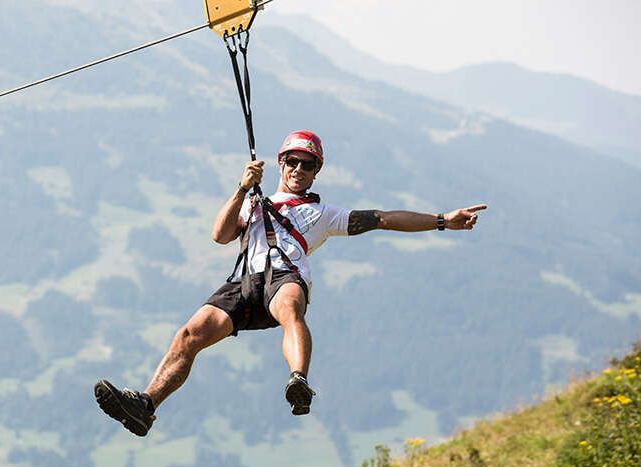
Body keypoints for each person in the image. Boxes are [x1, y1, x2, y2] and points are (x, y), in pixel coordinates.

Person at [95, 130, 486, 436]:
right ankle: (145, 407)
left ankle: (299, 379)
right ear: (282, 163)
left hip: (285, 278)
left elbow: (384, 217)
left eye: (308, 164)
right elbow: (219, 235)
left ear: (317, 171)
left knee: (288, 307)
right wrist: (242, 187)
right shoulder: (253, 201)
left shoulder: (324, 214)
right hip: (243, 283)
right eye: (293, 162)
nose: (299, 169)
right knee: (189, 334)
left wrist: (441, 220)